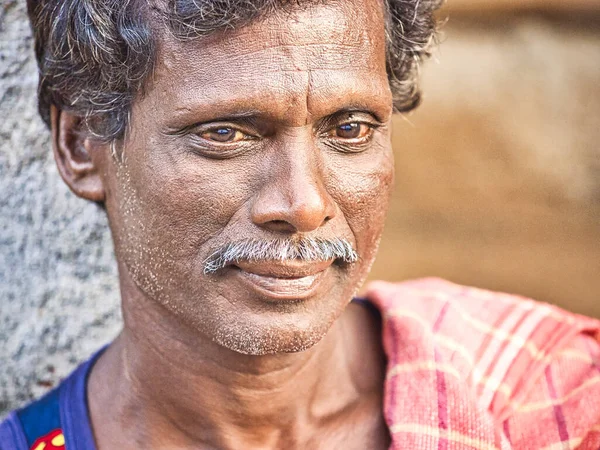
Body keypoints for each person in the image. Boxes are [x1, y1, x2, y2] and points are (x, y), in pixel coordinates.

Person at [2, 0, 600, 448]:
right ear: (81, 145)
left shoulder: (553, 398)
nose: (303, 203)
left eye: (350, 129)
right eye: (226, 134)